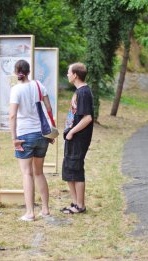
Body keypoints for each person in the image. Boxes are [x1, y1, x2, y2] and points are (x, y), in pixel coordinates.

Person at [9, 59, 54, 221]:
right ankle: (46, 209)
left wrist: (13, 138)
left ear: (16, 72)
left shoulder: (16, 90)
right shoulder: (39, 86)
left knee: (27, 173)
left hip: (24, 134)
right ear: (29, 71)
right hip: (41, 134)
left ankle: (30, 212)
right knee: (39, 172)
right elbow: (48, 108)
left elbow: (12, 115)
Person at [60, 62, 94, 214]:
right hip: (71, 136)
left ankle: (80, 205)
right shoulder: (79, 92)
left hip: (79, 138)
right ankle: (74, 203)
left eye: (69, 72)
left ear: (75, 75)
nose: (67, 75)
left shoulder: (84, 93)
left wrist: (72, 131)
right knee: (68, 169)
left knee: (76, 169)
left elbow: (87, 118)